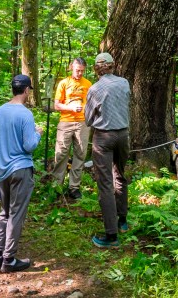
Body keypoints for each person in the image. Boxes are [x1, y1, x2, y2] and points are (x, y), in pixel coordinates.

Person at [0, 73, 42, 273]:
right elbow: (29, 145)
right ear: (26, 90)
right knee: (16, 214)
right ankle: (9, 259)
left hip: (2, 172)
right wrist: (38, 134)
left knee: (4, 212)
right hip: (21, 169)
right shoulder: (25, 114)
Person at [84, 51, 130, 248]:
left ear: (96, 69)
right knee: (120, 175)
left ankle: (111, 235)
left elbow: (88, 119)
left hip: (103, 137)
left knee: (105, 183)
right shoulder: (124, 83)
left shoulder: (94, 89)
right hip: (123, 135)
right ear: (113, 65)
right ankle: (122, 220)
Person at [50, 57, 92, 199]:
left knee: (80, 154)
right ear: (71, 67)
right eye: (77, 70)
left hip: (82, 123)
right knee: (61, 153)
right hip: (66, 122)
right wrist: (71, 107)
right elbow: (56, 105)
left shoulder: (88, 84)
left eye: (82, 71)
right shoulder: (63, 83)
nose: (79, 73)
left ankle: (74, 187)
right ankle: (57, 186)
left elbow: (91, 104)